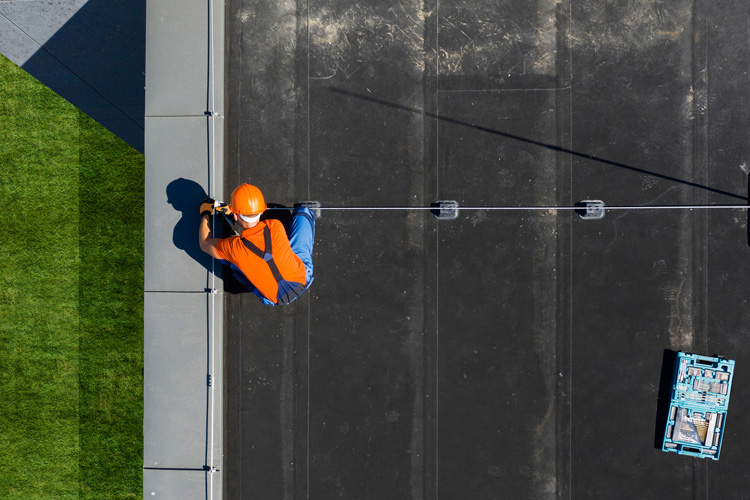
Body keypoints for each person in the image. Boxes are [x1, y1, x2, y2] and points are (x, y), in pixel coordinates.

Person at [198, 183, 315, 306]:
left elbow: (204, 243)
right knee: (303, 216)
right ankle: (306, 212)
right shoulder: (275, 225)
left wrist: (205, 214)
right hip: (302, 278)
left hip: (276, 299)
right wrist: (234, 212)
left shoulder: (232, 247)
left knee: (229, 258)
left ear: (236, 216)